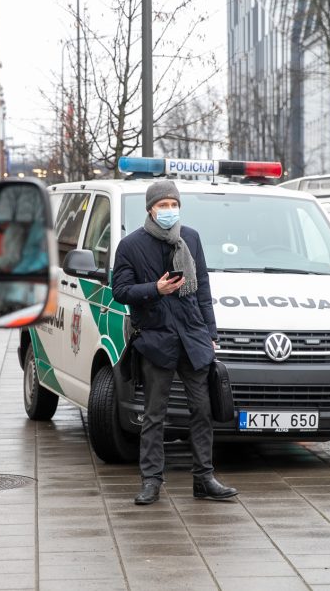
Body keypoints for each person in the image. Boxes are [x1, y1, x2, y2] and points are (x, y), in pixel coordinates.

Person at [112, 180, 238, 506]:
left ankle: (204, 478)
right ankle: (151, 481)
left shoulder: (190, 238)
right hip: (155, 340)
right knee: (154, 414)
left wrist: (211, 335)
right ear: (150, 209)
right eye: (162, 205)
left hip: (193, 338)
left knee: (202, 409)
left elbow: (203, 289)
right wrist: (155, 289)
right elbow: (121, 291)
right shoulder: (130, 245)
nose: (169, 210)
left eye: (173, 204)